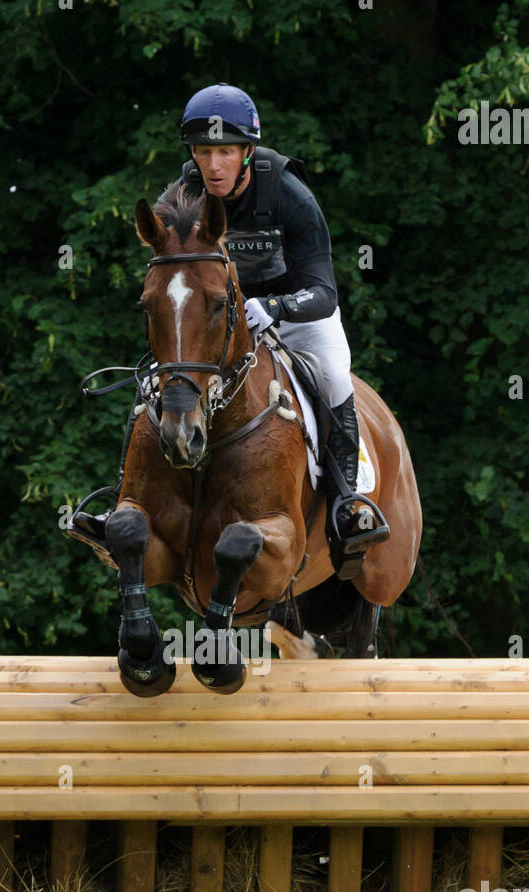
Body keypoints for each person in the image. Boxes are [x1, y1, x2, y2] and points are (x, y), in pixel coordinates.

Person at [170, 82, 388, 577]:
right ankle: (128, 491)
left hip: (299, 318)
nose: (214, 165)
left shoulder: (288, 193)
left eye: (225, 151)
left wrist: (275, 306)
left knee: (334, 375)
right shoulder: (185, 192)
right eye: (204, 151)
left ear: (247, 152)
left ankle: (347, 503)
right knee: (166, 376)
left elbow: (325, 292)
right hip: (226, 329)